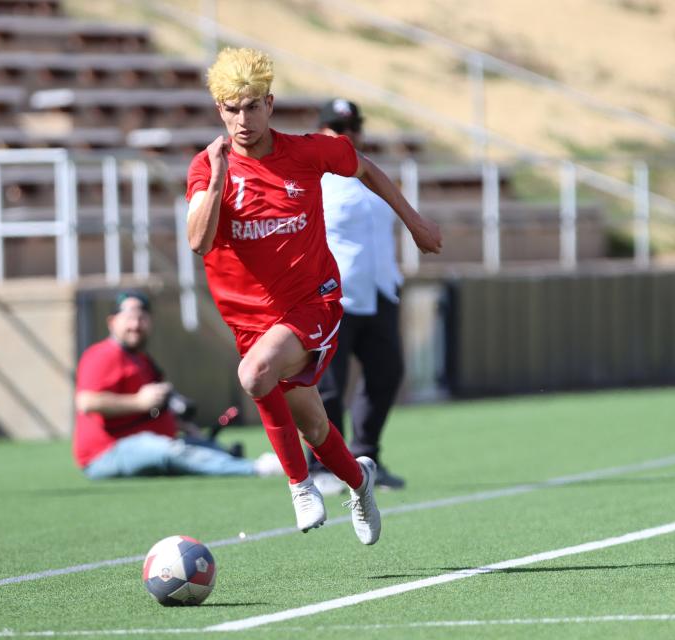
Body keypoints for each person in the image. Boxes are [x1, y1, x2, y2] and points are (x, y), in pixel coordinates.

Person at [185, 48, 442, 545]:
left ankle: (300, 485)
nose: (244, 119)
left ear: (271, 104)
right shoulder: (206, 168)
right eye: (232, 108)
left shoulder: (305, 152)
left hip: (313, 302)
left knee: (254, 373)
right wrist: (218, 179)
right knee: (316, 426)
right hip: (249, 321)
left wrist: (414, 222)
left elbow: (364, 166)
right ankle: (360, 481)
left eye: (253, 106)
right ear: (219, 109)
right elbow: (198, 240)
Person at [73, 291, 284, 479]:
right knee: (168, 450)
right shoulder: (102, 354)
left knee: (202, 447)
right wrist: (139, 402)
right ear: (112, 322)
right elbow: (87, 402)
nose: (135, 325)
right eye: (129, 318)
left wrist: (184, 426)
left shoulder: (142, 360)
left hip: (150, 441)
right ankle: (255, 469)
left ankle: (239, 460)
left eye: (142, 318)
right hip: (105, 453)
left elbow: (151, 410)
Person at [308, 99, 408, 497]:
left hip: (380, 290)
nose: (346, 135)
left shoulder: (371, 176)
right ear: (321, 133)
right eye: (335, 127)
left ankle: (366, 456)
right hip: (336, 296)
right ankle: (323, 465)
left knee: (386, 373)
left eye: (352, 128)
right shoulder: (314, 181)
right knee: (328, 385)